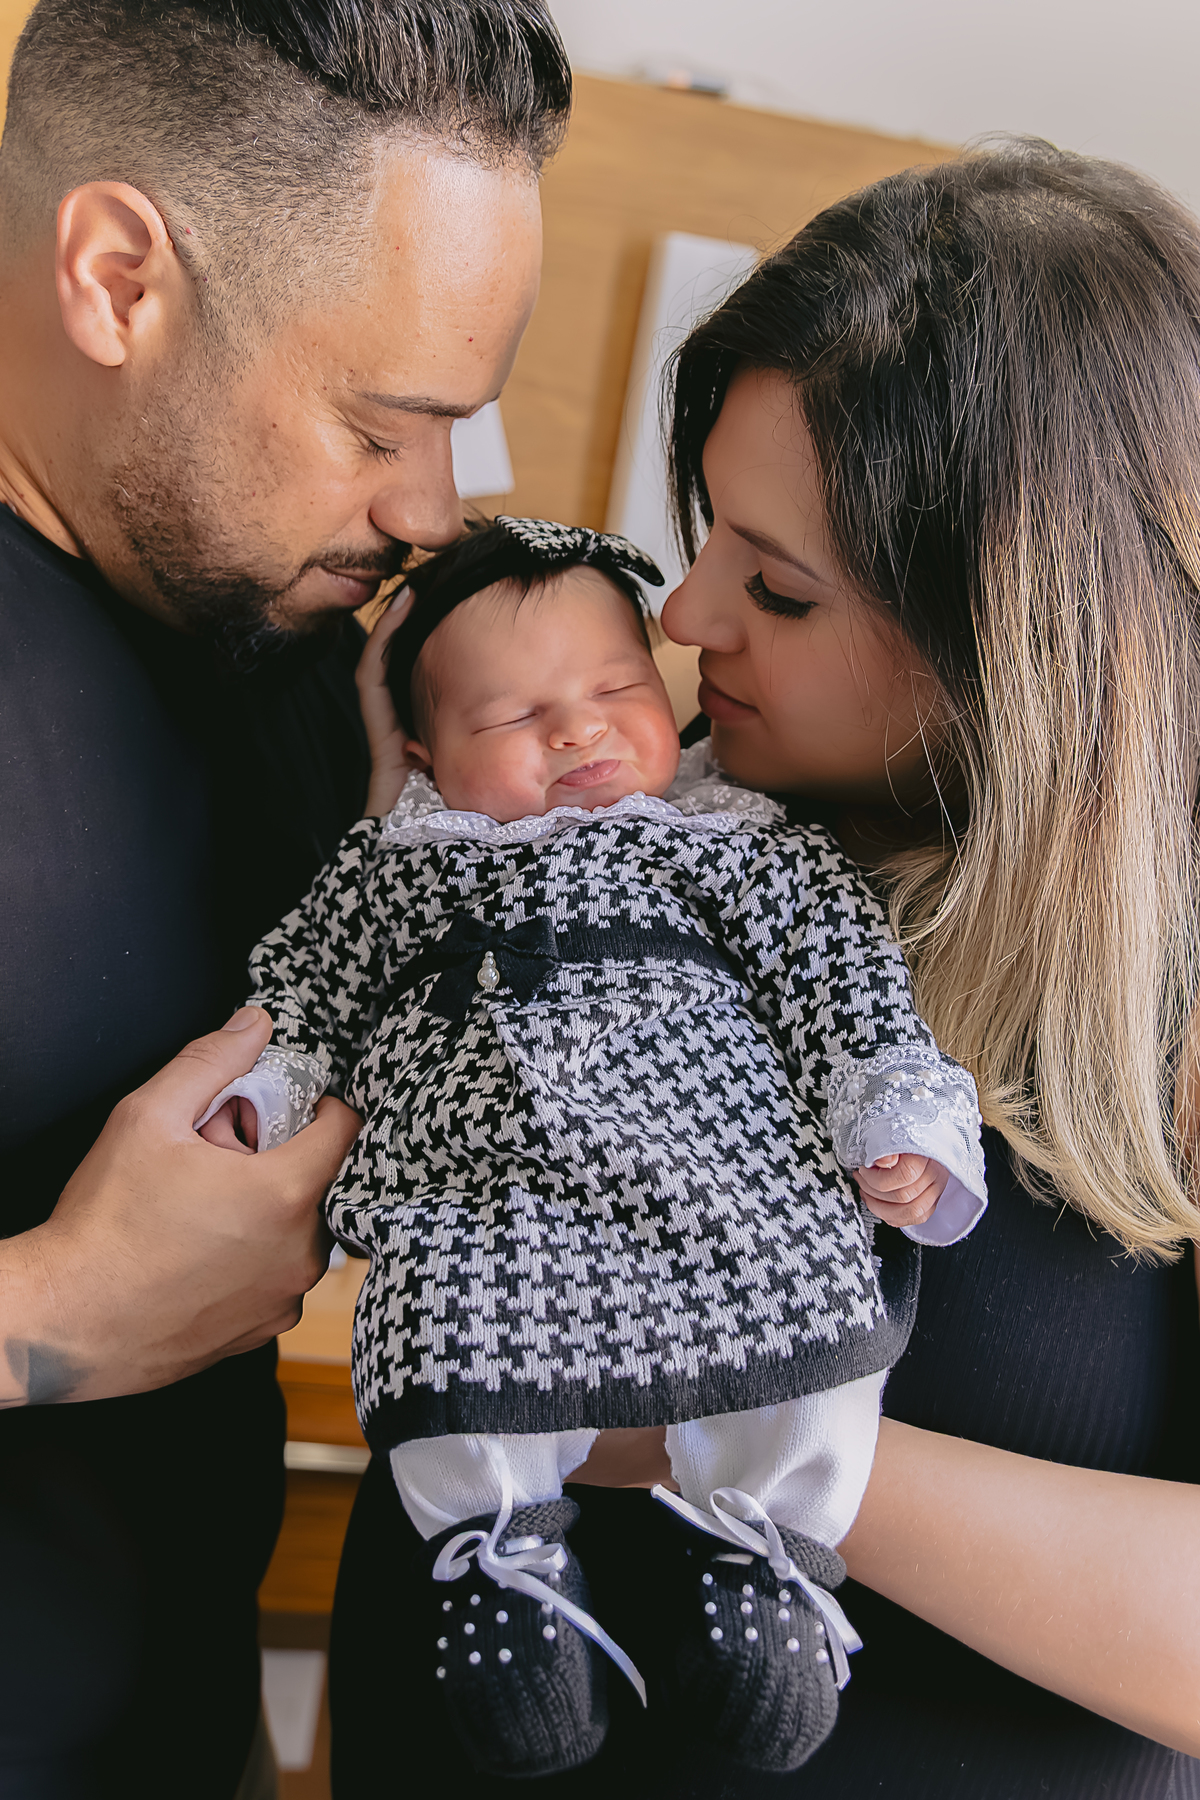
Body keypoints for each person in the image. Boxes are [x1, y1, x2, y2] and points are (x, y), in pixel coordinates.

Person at [330, 145, 1200, 1798]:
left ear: (1019, 645)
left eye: (780, 589)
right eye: (710, 536)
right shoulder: (657, 837)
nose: (688, 618)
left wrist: (721, 1425)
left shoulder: (1177, 989)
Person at [0, 2, 570, 1794]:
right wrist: (49, 1312)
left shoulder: (294, 655)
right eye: (384, 424)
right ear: (117, 280)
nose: (433, 508)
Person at [198, 513, 986, 1778]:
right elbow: (305, 996)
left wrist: (892, 1118)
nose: (577, 731)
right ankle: (499, 1565)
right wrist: (258, 1094)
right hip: (489, 1192)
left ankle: (769, 1562)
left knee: (811, 1317)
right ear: (426, 755)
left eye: (618, 691)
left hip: (729, 1170)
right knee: (440, 1326)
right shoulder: (398, 870)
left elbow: (841, 981)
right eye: (516, 716)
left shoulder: (737, 840)